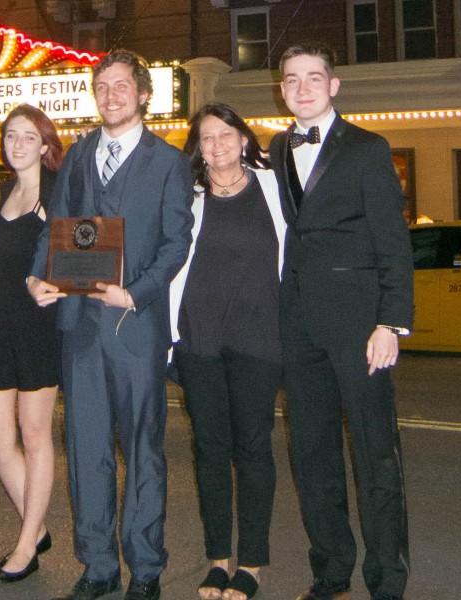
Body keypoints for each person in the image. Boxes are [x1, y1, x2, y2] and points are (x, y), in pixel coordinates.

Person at [27, 49, 193, 600]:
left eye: (121, 86)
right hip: (78, 326)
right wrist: (36, 276)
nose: (111, 95)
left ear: (143, 95)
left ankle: (145, 569)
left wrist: (137, 292)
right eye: (102, 87)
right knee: (86, 447)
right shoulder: (77, 155)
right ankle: (98, 566)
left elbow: (175, 244)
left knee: (143, 449)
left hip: (135, 327)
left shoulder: (169, 162)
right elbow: (57, 223)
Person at [268, 44, 414, 600]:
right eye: (291, 80)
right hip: (298, 324)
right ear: (282, 90)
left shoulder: (368, 148)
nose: (302, 88)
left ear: (334, 86)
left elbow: (394, 243)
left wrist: (391, 323)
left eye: (313, 78)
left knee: (376, 457)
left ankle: (387, 582)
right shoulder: (278, 148)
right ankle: (331, 572)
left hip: (360, 325)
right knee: (312, 455)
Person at [168, 103, 286, 600]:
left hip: (259, 340)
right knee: (211, 449)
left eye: (224, 134)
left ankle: (253, 561)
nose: (215, 145)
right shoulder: (186, 196)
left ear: (243, 138)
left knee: (254, 449)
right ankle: (218, 558)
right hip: (199, 339)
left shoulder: (276, 187)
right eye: (205, 138)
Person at [0, 104, 63, 584]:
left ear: (46, 144)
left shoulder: (56, 192)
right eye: (11, 134)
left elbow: (80, 251)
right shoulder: (3, 193)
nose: (18, 143)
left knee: (33, 436)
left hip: (37, 325)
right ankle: (39, 524)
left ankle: (27, 543)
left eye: (29, 136)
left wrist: (56, 284)